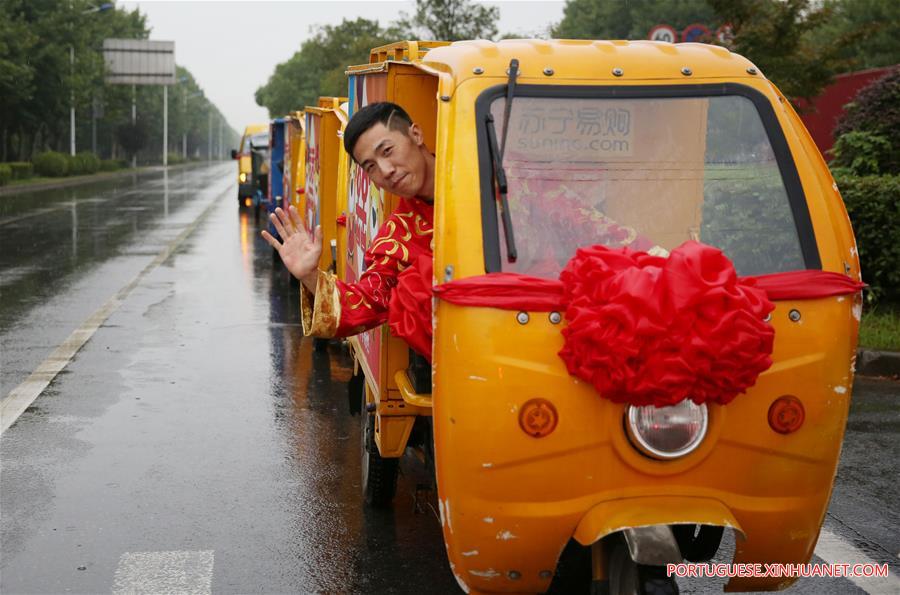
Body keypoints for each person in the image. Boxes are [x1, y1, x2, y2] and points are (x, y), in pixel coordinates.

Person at [261, 102, 435, 339]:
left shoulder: (491, 173)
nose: (385, 171)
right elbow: (365, 303)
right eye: (370, 166)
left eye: (387, 151)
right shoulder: (399, 236)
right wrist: (309, 275)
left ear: (416, 134)